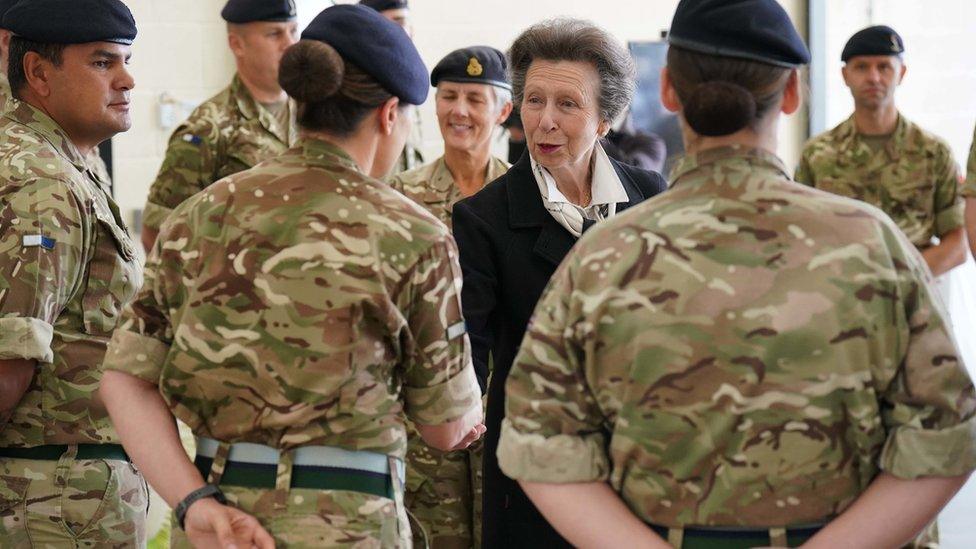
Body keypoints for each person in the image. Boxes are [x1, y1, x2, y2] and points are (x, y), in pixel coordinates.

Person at [496, 1, 976, 548]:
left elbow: (536, 443)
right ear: (792, 93)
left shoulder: (604, 255)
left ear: (670, 90)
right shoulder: (870, 243)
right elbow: (946, 436)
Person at [99, 5, 484, 548]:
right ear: (389, 114)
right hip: (349, 526)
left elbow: (123, 380)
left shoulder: (199, 215)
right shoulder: (412, 234)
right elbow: (446, 429)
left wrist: (192, 502)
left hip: (219, 521)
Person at [452, 19, 668, 547]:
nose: (544, 121)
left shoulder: (650, 194)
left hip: (642, 459)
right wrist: (460, 408)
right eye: (533, 100)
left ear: (605, 119)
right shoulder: (485, 216)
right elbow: (471, 343)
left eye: (567, 104)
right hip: (536, 470)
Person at [0, 0, 148, 546]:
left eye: (126, 61)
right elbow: (8, 363)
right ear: (38, 72)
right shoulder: (38, 180)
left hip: (61, 487)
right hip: (47, 496)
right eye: (103, 63)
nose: (127, 79)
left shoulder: (66, 162)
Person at [390, 45, 513, 549]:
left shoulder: (522, 194)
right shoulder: (402, 195)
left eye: (474, 99)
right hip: (427, 402)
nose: (458, 110)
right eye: (448, 96)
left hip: (503, 399)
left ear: (503, 111)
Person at [795, 25, 968, 279]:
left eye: (884, 66)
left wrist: (901, 282)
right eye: (862, 67)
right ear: (845, 75)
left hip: (914, 302)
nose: (874, 77)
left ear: (902, 72)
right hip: (841, 299)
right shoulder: (818, 154)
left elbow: (957, 243)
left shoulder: (933, 152)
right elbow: (801, 233)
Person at [139, 0, 299, 252]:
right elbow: (157, 232)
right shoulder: (208, 127)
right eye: (274, 34)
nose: (289, 44)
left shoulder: (313, 114)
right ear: (237, 44)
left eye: (293, 31)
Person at [359, 0, 424, 175]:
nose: (403, 32)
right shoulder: (360, 90)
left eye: (404, 23)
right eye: (394, 23)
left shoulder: (409, 86)